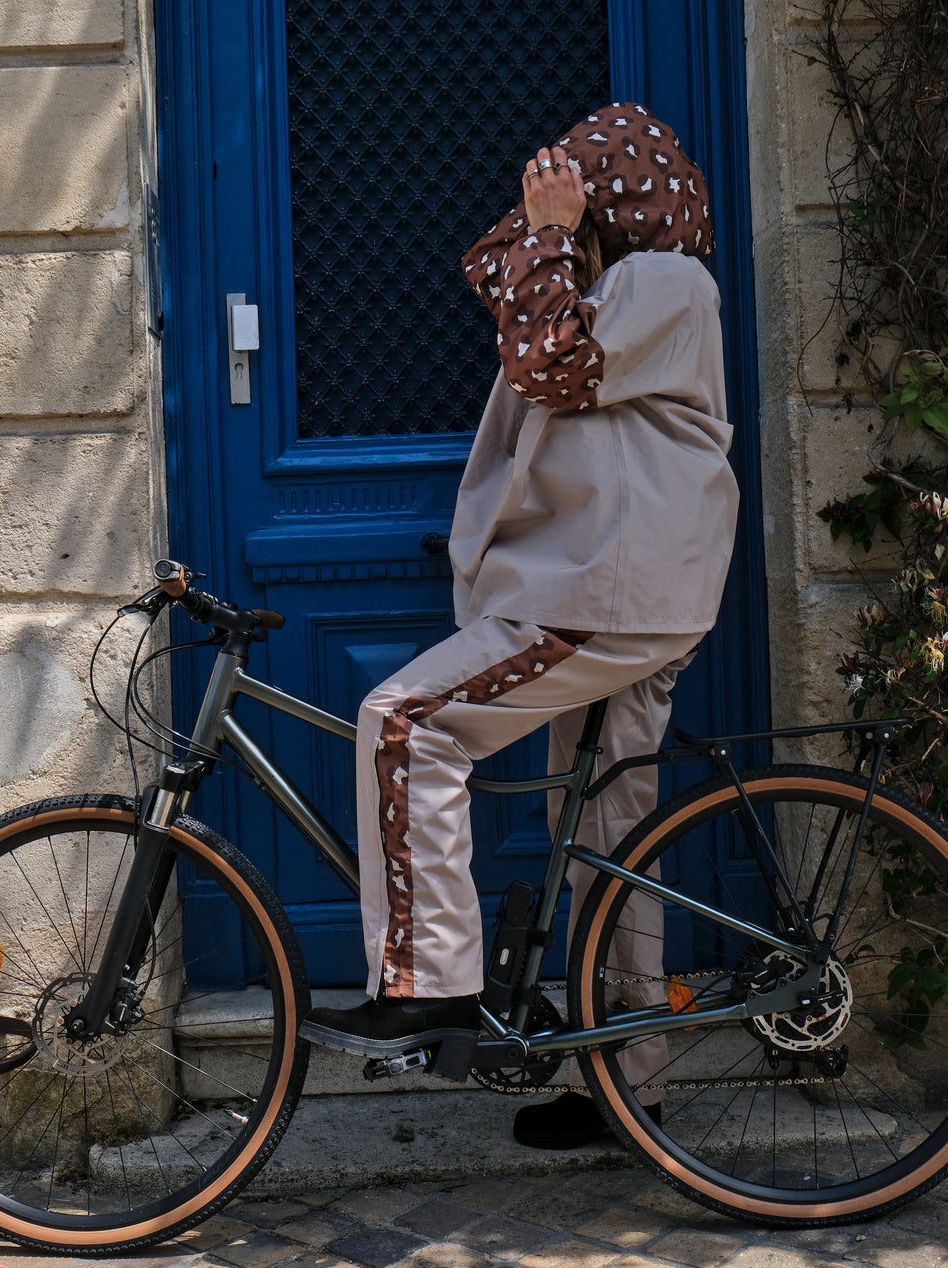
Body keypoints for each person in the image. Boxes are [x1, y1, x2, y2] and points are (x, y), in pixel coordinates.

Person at [300, 103, 739, 1147]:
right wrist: (542, 245)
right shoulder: (611, 290)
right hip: (615, 590)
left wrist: (547, 233)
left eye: (570, 206)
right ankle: (624, 1085)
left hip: (606, 594)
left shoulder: (662, 283)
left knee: (406, 721)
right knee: (607, 829)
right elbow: (528, 328)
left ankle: (431, 984)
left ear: (605, 209)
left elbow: (552, 367)